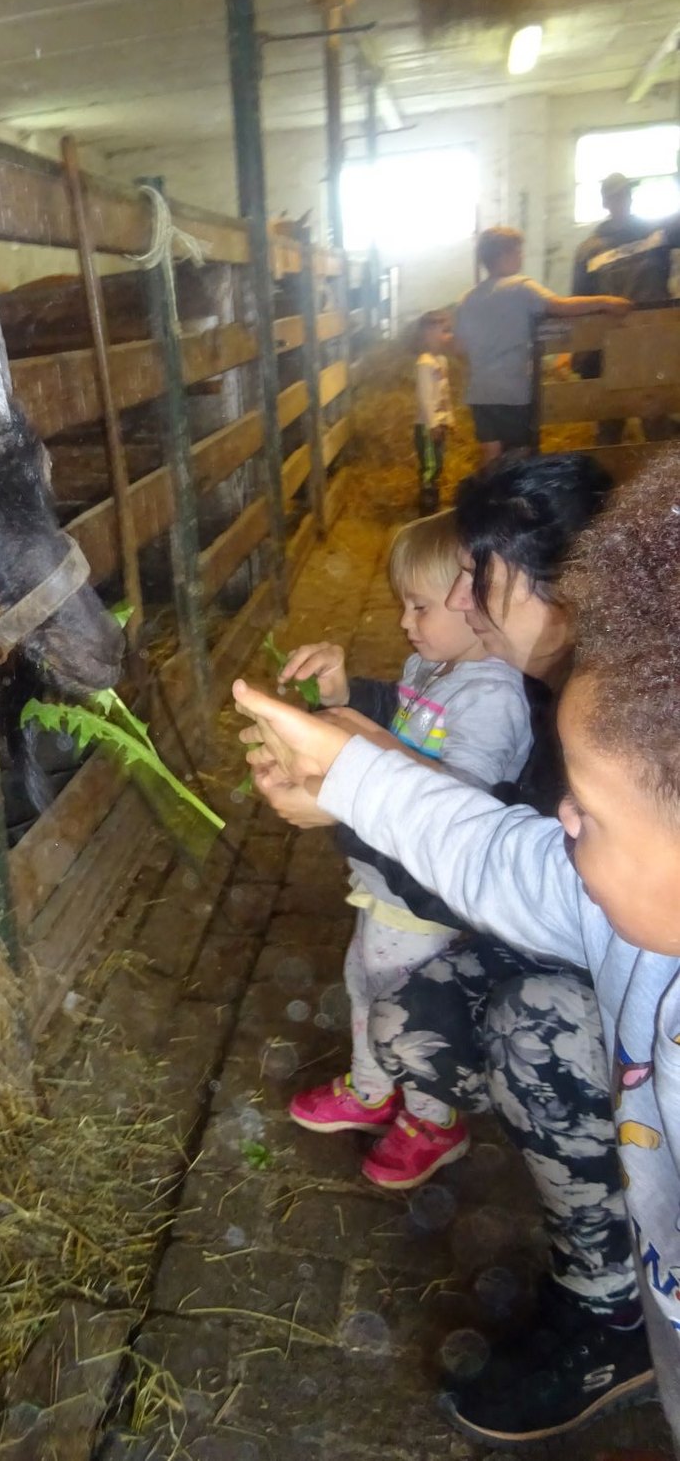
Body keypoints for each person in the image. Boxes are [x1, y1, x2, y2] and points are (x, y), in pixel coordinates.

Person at [235, 447, 680, 1458]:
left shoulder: (591, 710)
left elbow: (500, 839)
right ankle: (613, 1297)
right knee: (418, 1013)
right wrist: (352, 771)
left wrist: (359, 777)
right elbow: (508, 857)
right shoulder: (603, 711)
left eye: (480, 577)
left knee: (526, 1022)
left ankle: (612, 1310)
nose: (561, 817)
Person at [284, 511, 531, 1190]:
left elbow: (460, 804)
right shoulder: (435, 663)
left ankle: (433, 1119)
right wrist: (345, 699)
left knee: (407, 1000)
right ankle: (372, 1090)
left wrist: (351, 785)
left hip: (428, 889)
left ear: (473, 601)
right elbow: (404, 716)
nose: (404, 622)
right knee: (364, 977)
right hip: (389, 878)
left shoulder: (493, 697)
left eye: (419, 607)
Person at [455, 226, 630, 465]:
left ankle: (492, 489)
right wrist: (605, 302)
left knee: (491, 453)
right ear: (505, 254)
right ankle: (519, 488)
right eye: (518, 252)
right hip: (513, 390)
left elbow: (460, 347)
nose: (521, 257)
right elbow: (560, 306)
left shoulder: (466, 299)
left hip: (481, 392)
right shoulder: (520, 286)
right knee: (520, 453)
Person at [572, 171, 680, 445]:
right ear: (605, 202)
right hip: (612, 343)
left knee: (656, 418)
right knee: (610, 419)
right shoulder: (589, 249)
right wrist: (583, 354)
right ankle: (608, 470)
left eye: (625, 194)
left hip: (653, 340)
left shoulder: (658, 232)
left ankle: (661, 473)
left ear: (631, 197)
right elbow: (581, 299)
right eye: (614, 196)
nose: (621, 200)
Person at [413, 311, 454, 514]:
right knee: (430, 465)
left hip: (439, 423)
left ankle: (433, 498)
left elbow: (445, 393)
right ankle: (427, 505)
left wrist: (449, 419)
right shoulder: (425, 363)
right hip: (427, 426)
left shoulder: (441, 361)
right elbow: (425, 397)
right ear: (429, 334)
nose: (449, 336)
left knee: (438, 462)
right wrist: (432, 424)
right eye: (444, 331)